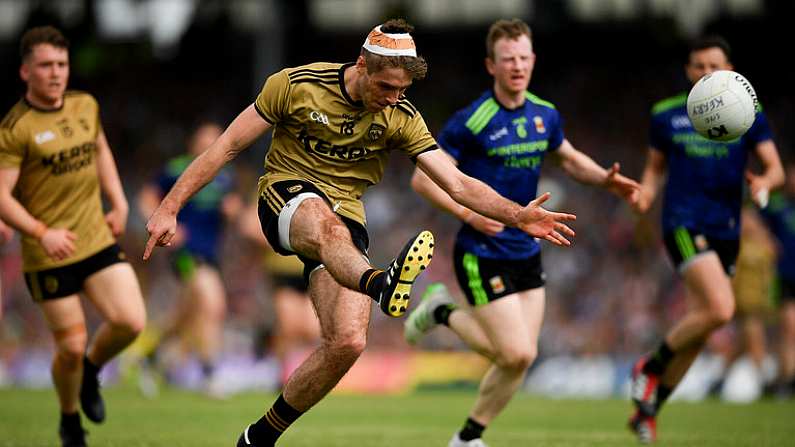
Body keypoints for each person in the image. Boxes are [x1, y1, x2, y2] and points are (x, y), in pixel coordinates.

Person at [142, 18, 576, 447]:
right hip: (285, 195)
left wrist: (518, 215)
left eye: (402, 91)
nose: (393, 99)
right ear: (362, 65)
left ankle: (258, 438)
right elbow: (227, 146)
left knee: (347, 341)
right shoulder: (295, 86)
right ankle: (380, 282)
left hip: (346, 213)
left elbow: (458, 184)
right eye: (386, 87)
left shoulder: (401, 116)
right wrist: (169, 207)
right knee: (325, 224)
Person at [402, 19, 639, 447]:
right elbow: (423, 180)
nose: (517, 66)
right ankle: (441, 312)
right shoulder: (471, 120)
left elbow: (567, 159)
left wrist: (605, 179)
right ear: (490, 65)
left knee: (517, 361)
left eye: (523, 58)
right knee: (518, 353)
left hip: (527, 249)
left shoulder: (544, 114)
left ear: (533, 62)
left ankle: (468, 437)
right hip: (481, 249)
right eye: (507, 59)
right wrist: (470, 215)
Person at [628, 35, 785, 443]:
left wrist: (763, 183)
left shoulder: (747, 110)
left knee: (702, 328)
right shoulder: (667, 115)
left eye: (713, 64)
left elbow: (775, 168)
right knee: (720, 309)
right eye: (698, 66)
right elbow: (654, 170)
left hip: (727, 230)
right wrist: (643, 194)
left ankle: (649, 409)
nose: (705, 72)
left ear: (730, 69)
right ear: (687, 72)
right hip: (682, 223)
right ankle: (649, 366)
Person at [0, 26, 146, 447]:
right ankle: (69, 422)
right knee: (69, 346)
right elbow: (3, 196)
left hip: (95, 238)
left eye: (61, 64)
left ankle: (92, 371)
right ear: (26, 71)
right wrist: (41, 232)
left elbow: (100, 150)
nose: (56, 73)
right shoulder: (16, 128)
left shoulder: (85, 106)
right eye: (45, 65)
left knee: (131, 321)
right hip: (48, 254)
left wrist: (117, 202)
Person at [137, 120, 241, 396]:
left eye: (214, 140)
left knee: (189, 312)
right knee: (211, 303)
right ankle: (210, 373)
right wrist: (163, 221)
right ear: (193, 143)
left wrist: (233, 210)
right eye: (204, 140)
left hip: (212, 252)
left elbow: (233, 206)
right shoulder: (176, 169)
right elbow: (147, 198)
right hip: (184, 250)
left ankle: (151, 358)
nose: (209, 145)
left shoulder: (225, 175)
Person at [239, 200, 320, 384]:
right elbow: (249, 225)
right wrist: (283, 239)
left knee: (311, 329)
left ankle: (268, 346)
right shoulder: (275, 189)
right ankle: (280, 376)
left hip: (312, 271)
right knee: (289, 325)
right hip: (283, 272)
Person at [760, 161, 795, 398]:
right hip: (784, 275)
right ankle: (789, 379)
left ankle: (781, 379)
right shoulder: (777, 205)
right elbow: (752, 219)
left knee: (788, 330)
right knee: (789, 327)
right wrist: (767, 241)